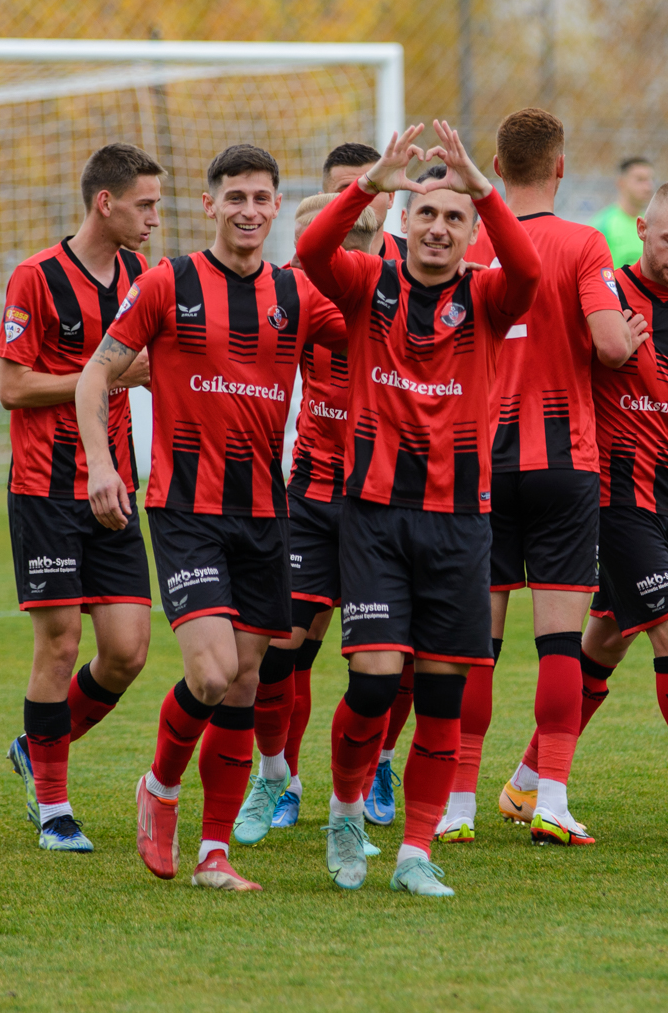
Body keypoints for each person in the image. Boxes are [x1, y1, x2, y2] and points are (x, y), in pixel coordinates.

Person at [76, 143, 346, 891]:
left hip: (266, 511)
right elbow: (96, 373)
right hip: (186, 509)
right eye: (236, 198)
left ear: (276, 207)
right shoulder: (170, 281)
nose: (249, 211)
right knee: (213, 670)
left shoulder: (297, 293)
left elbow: (373, 328)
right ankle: (160, 786)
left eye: (261, 198)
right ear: (211, 205)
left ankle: (213, 854)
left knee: (248, 681)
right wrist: (101, 463)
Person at [297, 119, 541, 898]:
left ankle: (413, 852)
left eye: (454, 217)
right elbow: (310, 252)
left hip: (461, 523)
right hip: (374, 513)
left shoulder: (489, 296)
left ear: (472, 233)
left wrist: (485, 190)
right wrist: (369, 185)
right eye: (427, 213)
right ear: (404, 221)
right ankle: (344, 812)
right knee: (373, 684)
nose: (438, 227)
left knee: (440, 695)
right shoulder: (369, 284)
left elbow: (529, 270)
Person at [504, 179, 668, 839]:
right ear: (643, 231)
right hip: (607, 496)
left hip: (667, 500)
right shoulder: (605, 296)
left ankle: (525, 784)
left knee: (606, 641)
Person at [453, 107, 639, 848]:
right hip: (564, 463)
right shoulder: (584, 242)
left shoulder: (468, 241)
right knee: (560, 643)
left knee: (478, 642)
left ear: (497, 169)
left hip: (481, 462)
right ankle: (551, 800)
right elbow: (611, 347)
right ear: (560, 167)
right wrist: (627, 336)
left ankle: (458, 806)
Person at [0, 143, 163, 854]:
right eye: (145, 205)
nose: (154, 219)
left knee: (127, 652)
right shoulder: (35, 277)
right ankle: (55, 808)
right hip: (45, 487)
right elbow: (13, 386)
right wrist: (107, 374)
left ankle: (36, 745)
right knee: (60, 643)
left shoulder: (143, 278)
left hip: (114, 486)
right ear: (106, 202)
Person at [240, 187, 387, 836]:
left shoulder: (395, 298)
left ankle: (364, 785)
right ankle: (277, 774)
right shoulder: (291, 299)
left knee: (379, 667)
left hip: (381, 505)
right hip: (310, 496)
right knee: (279, 651)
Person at [309, 143, 415, 824]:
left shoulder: (422, 266)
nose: (361, 200)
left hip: (396, 486)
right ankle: (278, 776)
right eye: (346, 190)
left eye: (372, 187)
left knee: (402, 653)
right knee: (288, 645)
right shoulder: (306, 273)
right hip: (317, 480)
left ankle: (378, 761)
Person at [590, 156, 655, 266]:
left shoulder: (653, 225)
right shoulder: (602, 225)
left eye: (650, 180)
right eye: (640, 180)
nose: (648, 187)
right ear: (621, 183)